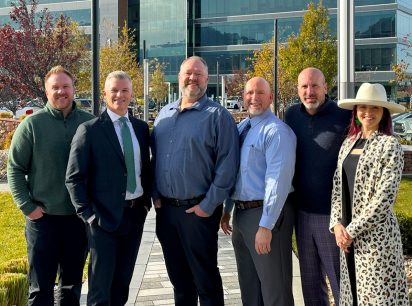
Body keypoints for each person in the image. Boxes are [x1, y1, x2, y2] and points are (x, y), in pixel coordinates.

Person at [151, 56, 239, 306]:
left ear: (207, 79)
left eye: (198, 74)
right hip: (166, 213)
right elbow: (155, 159)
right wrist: (156, 195)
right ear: (179, 77)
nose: (193, 78)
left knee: (206, 280)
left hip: (198, 212)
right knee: (179, 281)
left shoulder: (218, 116)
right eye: (188, 73)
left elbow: (227, 166)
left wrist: (208, 206)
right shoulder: (164, 115)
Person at [7, 66, 94, 306]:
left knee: (71, 287)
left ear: (74, 89)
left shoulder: (90, 123)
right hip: (42, 220)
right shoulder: (32, 125)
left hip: (78, 220)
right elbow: (15, 168)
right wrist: (28, 207)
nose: (61, 91)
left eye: (66, 86)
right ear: (47, 92)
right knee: (40, 289)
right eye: (55, 87)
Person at [65, 71, 151, 306]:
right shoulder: (90, 130)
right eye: (114, 90)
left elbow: (146, 168)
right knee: (100, 289)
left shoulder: (141, 128)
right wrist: (89, 215)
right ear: (104, 94)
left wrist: (146, 205)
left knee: (122, 285)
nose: (119, 95)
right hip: (102, 220)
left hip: (133, 216)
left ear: (132, 94)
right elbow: (73, 178)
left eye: (124, 91)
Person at [330, 82, 409, 305]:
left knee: (377, 297)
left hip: (376, 239)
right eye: (363, 107)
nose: (368, 112)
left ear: (384, 113)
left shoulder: (390, 145)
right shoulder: (348, 143)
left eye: (375, 108)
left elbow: (384, 198)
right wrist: (337, 225)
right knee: (353, 294)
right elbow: (337, 187)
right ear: (356, 111)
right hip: (346, 234)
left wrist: (350, 231)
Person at [221, 77, 296, 306]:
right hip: (242, 215)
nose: (254, 97)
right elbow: (238, 173)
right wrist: (227, 209)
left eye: (260, 93)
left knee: (275, 291)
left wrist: (266, 226)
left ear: (270, 97)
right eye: (250, 93)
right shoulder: (243, 128)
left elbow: (278, 181)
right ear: (243, 97)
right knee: (250, 290)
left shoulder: (277, 132)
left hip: (266, 216)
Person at [284, 67, 351, 306]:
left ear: (325, 87)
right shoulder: (291, 115)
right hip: (301, 214)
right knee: (310, 285)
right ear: (298, 90)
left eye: (314, 86)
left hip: (332, 217)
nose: (309, 92)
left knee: (340, 283)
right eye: (304, 86)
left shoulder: (344, 115)